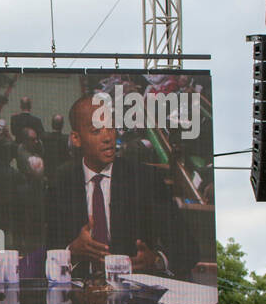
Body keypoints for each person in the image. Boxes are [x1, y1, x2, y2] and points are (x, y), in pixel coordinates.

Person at [44, 94, 178, 276]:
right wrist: (72, 251)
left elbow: (187, 248)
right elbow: (47, 252)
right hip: (80, 296)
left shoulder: (146, 179)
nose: (108, 137)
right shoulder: (60, 182)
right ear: (76, 138)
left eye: (111, 127)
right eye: (96, 131)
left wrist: (156, 261)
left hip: (135, 296)